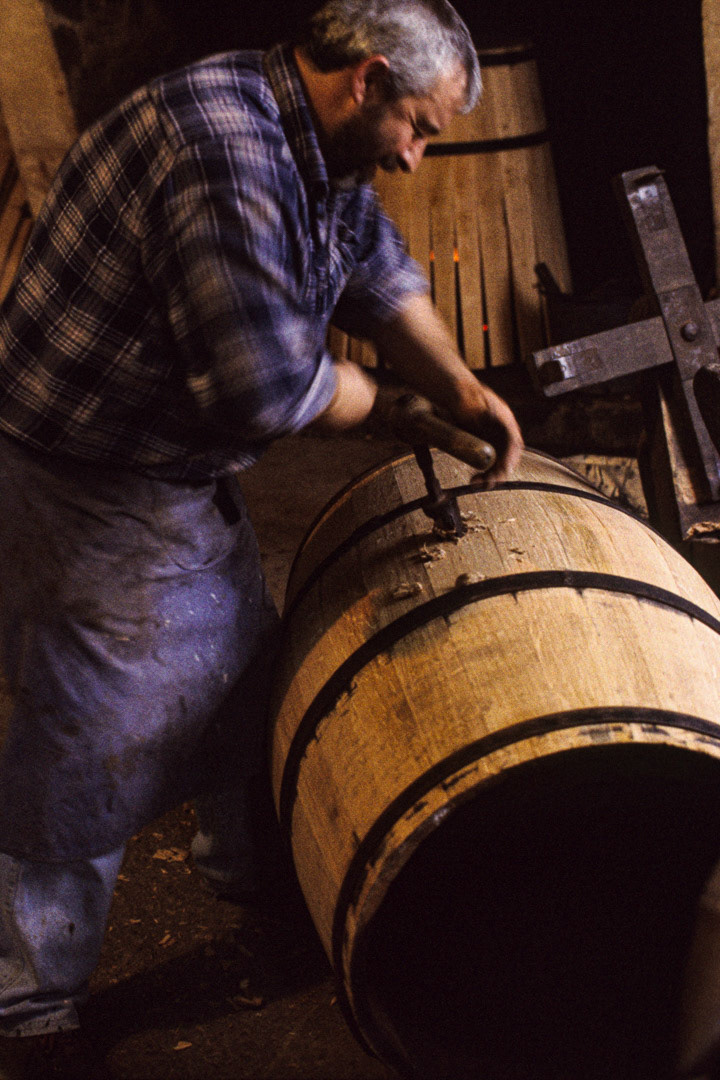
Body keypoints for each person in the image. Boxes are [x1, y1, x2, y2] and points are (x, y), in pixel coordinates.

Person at [0, 0, 523, 1074]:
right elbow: (261, 387)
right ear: (369, 78)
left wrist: (458, 384)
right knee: (96, 726)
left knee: (238, 654)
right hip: (86, 469)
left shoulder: (303, 122)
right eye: (419, 127)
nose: (419, 159)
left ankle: (244, 868)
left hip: (165, 460)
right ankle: (27, 998)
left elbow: (368, 256)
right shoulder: (220, 153)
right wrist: (385, 404)